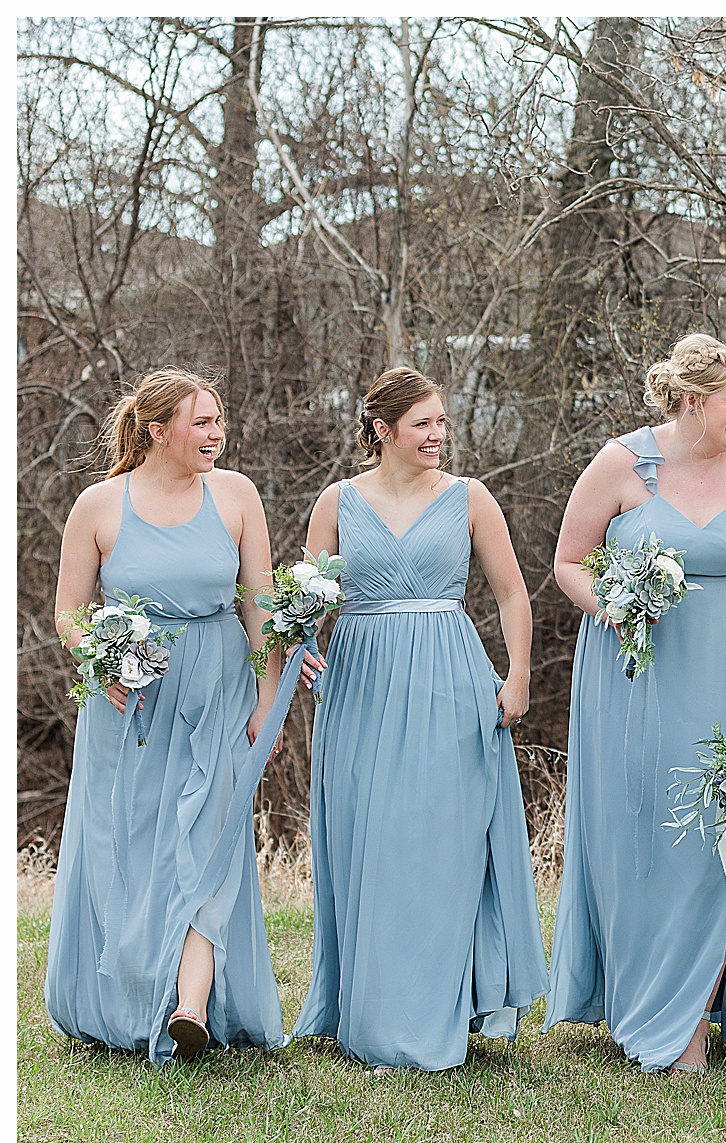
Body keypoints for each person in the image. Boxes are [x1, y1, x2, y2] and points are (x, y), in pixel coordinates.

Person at [546, 334, 726, 1073]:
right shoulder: (621, 463)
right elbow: (568, 562)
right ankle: (640, 1000)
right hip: (638, 682)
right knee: (646, 842)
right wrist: (613, 604)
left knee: (721, 842)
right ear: (692, 401)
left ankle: (690, 1021)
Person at [290, 369, 547, 1070]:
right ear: (383, 430)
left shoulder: (470, 498)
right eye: (423, 424)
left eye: (442, 423)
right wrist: (301, 645)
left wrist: (516, 673)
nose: (438, 435)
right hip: (361, 682)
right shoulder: (336, 503)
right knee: (369, 840)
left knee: (440, 843)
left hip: (449, 677)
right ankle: (369, 1011)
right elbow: (309, 599)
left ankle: (441, 1008)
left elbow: (510, 593)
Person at [45, 370, 287, 1063]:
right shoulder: (98, 507)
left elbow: (258, 606)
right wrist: (103, 657)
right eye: (202, 422)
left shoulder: (237, 495)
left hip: (217, 688)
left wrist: (267, 700)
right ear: (158, 431)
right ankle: (128, 997)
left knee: (210, 836)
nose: (217, 434)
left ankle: (191, 1001)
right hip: (134, 700)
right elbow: (68, 613)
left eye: (219, 421)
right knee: (134, 845)